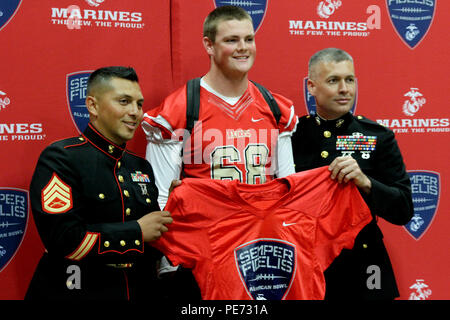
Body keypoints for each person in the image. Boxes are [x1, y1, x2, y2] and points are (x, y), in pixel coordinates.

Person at [25, 66, 173, 300]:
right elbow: (64, 240)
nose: (135, 112)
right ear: (92, 105)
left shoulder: (140, 166)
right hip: (76, 289)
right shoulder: (61, 158)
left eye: (139, 103)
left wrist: (176, 212)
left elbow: (153, 242)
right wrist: (137, 231)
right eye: (124, 101)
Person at [142, 5, 298, 209]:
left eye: (249, 39)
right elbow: (161, 201)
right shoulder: (178, 109)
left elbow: (289, 191)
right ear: (209, 45)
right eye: (231, 40)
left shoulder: (275, 108)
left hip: (261, 234)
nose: (243, 47)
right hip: (205, 234)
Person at [291, 48, 413, 300]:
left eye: (349, 80)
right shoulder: (291, 136)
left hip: (363, 263)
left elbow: (404, 209)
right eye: (333, 80)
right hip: (307, 261)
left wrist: (366, 182)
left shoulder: (378, 136)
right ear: (311, 87)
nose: (344, 89)